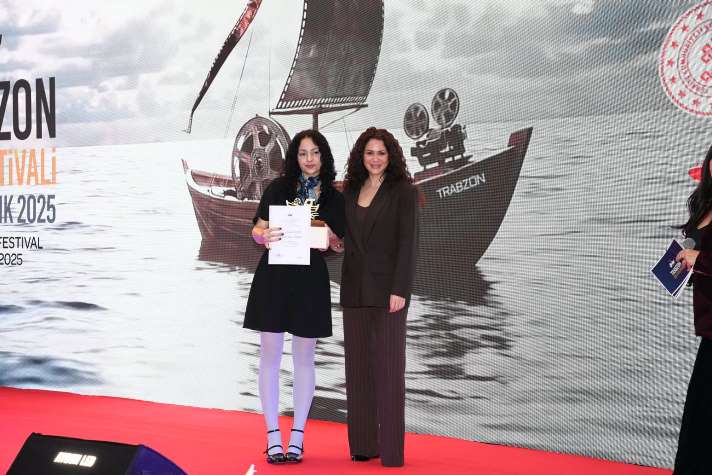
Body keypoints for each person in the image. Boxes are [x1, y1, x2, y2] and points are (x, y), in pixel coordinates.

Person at [243, 129, 345, 464]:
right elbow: (257, 230)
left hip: (309, 282)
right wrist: (264, 236)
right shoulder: (277, 188)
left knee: (304, 358)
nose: (309, 159)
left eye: (315, 153)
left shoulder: (334, 197)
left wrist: (330, 237)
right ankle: (273, 436)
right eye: (303, 153)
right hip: (273, 278)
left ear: (324, 156)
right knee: (269, 356)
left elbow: (339, 245)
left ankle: (298, 436)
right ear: (294, 157)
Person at [339, 127, 420, 467]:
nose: (375, 159)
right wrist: (331, 242)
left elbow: (408, 244)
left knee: (389, 374)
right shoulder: (349, 190)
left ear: (391, 157)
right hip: (354, 290)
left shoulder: (404, 192)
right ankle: (363, 446)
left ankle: (391, 452)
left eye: (381, 153)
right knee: (358, 371)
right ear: (361, 156)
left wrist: (400, 289)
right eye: (369, 152)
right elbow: (342, 237)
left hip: (389, 294)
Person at [674, 144, 712, 474]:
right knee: (700, 412)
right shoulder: (703, 203)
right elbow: (693, 246)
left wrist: (699, 259)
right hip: (708, 322)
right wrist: (682, 262)